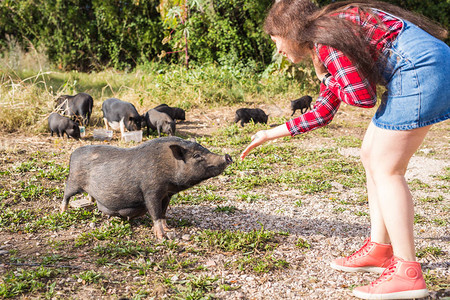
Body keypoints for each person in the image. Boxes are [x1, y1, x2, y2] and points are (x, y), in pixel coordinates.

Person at [239, 0, 450, 299]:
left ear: (290, 31)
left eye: (277, 42)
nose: (279, 51)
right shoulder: (330, 37)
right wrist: (269, 133)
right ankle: (379, 250)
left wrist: (326, 78)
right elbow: (324, 110)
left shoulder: (328, 41)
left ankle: (408, 272)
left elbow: (361, 97)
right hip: (425, 67)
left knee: (387, 167)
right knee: (370, 153)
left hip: (421, 71)